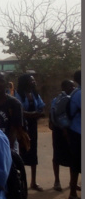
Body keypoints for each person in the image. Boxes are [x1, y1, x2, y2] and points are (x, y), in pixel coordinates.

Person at [15, 74, 44, 191]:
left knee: (33, 152)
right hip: (22, 127)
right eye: (31, 80)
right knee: (21, 153)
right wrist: (34, 114)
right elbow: (19, 110)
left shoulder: (35, 94)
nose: (34, 82)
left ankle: (33, 182)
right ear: (25, 82)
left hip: (33, 126)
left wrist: (35, 114)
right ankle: (21, 182)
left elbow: (41, 107)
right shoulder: (18, 94)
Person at [0, 72, 27, 153]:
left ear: (7, 84)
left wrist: (7, 148)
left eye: (1, 81)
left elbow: (15, 129)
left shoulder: (14, 103)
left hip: (8, 145)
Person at [49, 79, 75, 192]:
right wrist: (63, 129)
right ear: (64, 87)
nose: (73, 88)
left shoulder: (72, 99)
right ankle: (57, 181)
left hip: (68, 130)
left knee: (72, 157)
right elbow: (56, 114)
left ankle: (72, 182)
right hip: (60, 131)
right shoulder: (58, 100)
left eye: (74, 86)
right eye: (71, 86)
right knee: (57, 156)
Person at [68, 71, 81, 199]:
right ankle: (72, 192)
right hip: (78, 132)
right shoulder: (79, 94)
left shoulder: (76, 92)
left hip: (76, 131)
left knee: (76, 163)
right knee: (76, 164)